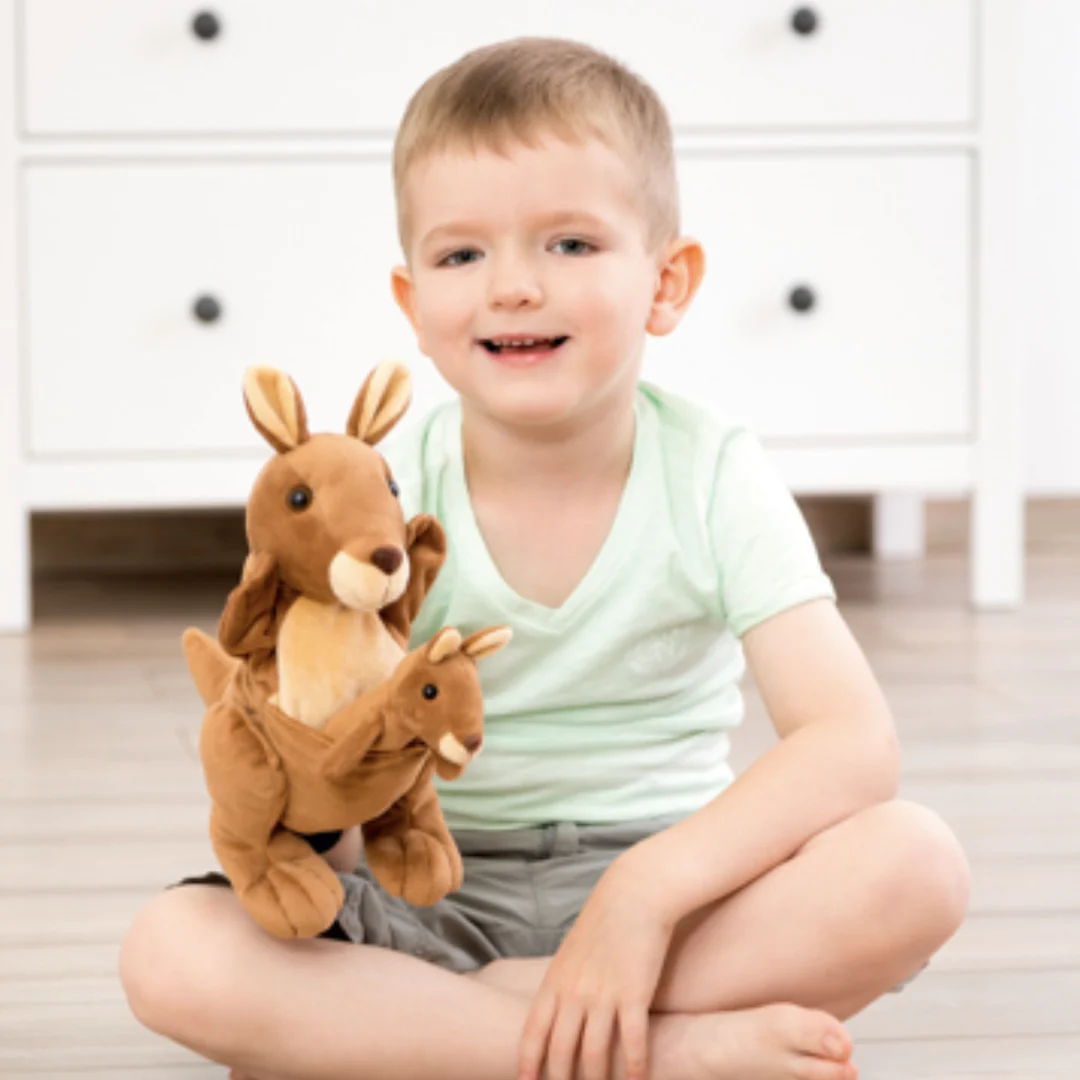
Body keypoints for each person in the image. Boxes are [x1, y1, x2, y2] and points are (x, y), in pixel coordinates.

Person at [119, 37, 970, 1080]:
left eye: (570, 243)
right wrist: (303, 799)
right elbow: (330, 783)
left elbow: (851, 741)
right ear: (413, 305)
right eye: (462, 256)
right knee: (172, 954)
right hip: (430, 887)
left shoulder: (712, 473)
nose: (514, 287)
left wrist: (644, 896)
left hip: (673, 898)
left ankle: (445, 1033)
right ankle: (663, 1052)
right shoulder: (386, 496)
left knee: (917, 863)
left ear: (666, 282)